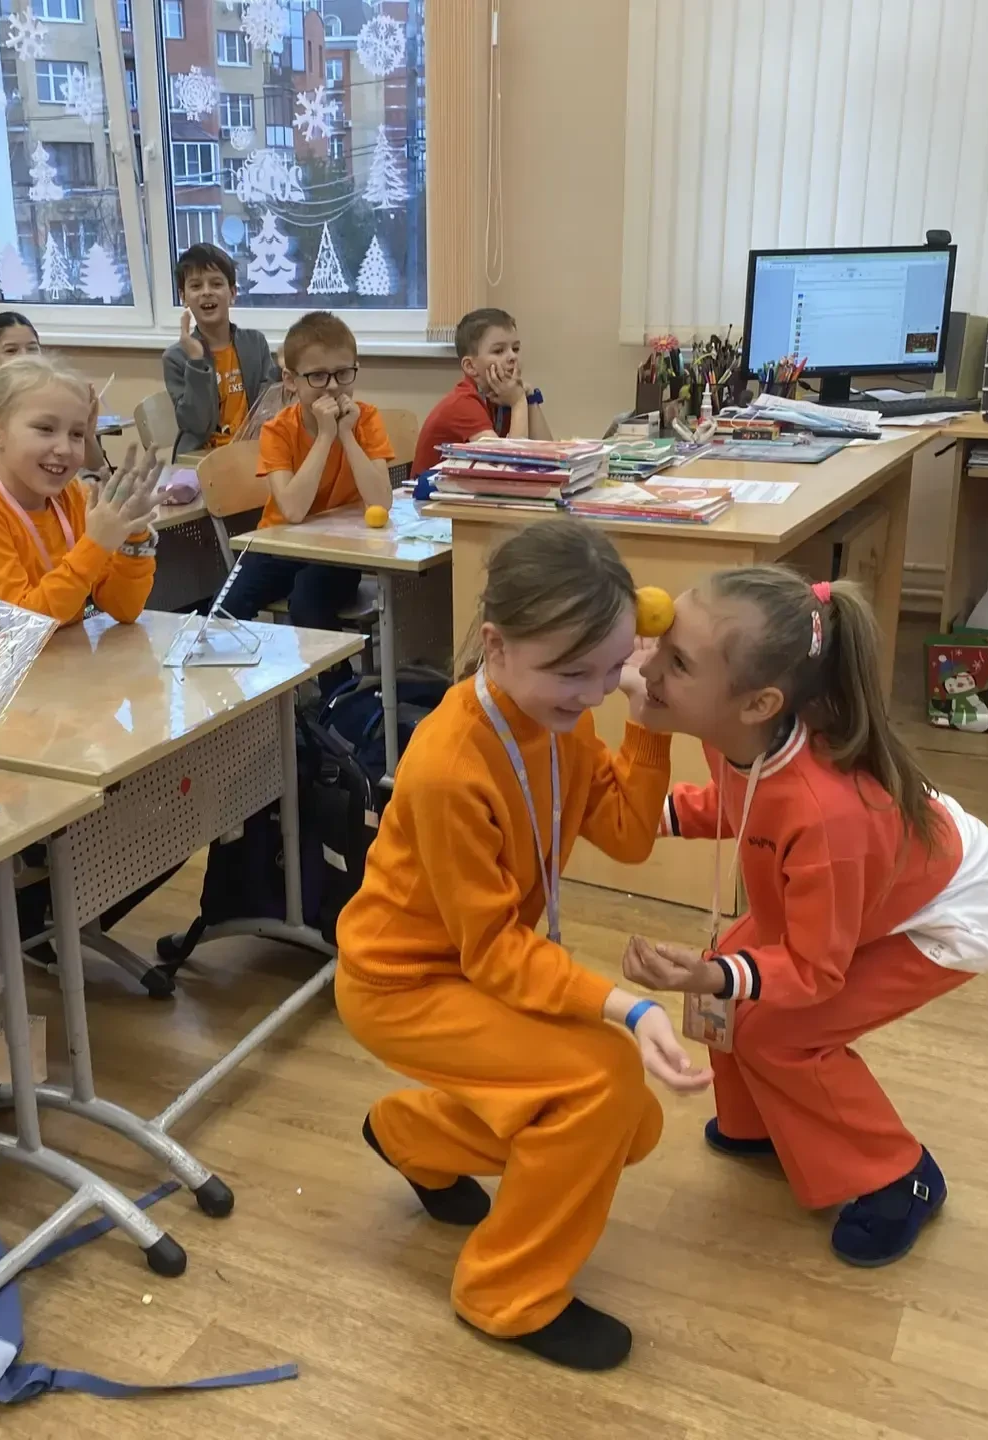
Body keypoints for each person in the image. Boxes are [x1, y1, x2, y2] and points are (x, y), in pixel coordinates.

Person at [336, 518, 711, 1373]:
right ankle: (505, 1294)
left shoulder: (556, 716)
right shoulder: (451, 766)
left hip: (472, 968)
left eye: (609, 668)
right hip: (400, 985)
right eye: (571, 673)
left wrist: (647, 722)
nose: (593, 692)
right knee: (602, 1087)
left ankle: (413, 1136)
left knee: (629, 1121)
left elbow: (627, 834)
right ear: (496, 645)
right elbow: (496, 951)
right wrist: (628, 1007)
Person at [622, 567, 988, 1266]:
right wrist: (642, 814)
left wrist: (713, 976)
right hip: (865, 876)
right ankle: (756, 1125)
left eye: (676, 662)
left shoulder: (824, 814)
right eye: (658, 644)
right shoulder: (741, 734)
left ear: (759, 703)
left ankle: (901, 1179)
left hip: (949, 915)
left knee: (780, 1029)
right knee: (741, 995)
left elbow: (814, 971)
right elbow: (742, 800)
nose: (646, 667)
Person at [0, 355, 159, 626]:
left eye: (76, 434)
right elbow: (21, 625)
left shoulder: (74, 497)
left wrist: (134, 536)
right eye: (45, 429)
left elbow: (123, 608)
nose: (64, 448)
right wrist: (95, 544)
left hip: (60, 651)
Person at [217, 311, 393, 634]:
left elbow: (381, 501)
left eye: (343, 374)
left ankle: (335, 669)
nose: (333, 387)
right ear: (290, 380)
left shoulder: (366, 420)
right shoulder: (278, 430)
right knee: (227, 607)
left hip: (339, 550)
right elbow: (293, 511)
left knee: (308, 601)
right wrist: (325, 436)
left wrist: (346, 434)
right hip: (280, 544)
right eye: (318, 377)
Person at [161, 242, 279, 456]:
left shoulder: (255, 343)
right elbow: (196, 424)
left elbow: (269, 407)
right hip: (201, 458)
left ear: (232, 293)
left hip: (250, 452)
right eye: (196, 286)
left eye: (216, 284)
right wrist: (196, 362)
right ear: (183, 297)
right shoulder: (176, 358)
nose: (206, 292)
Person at [411, 307, 553, 476]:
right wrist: (518, 402)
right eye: (498, 351)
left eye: (515, 348)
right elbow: (509, 469)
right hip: (428, 490)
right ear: (470, 367)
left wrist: (529, 399)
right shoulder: (463, 403)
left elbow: (549, 457)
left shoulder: (501, 395)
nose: (512, 357)